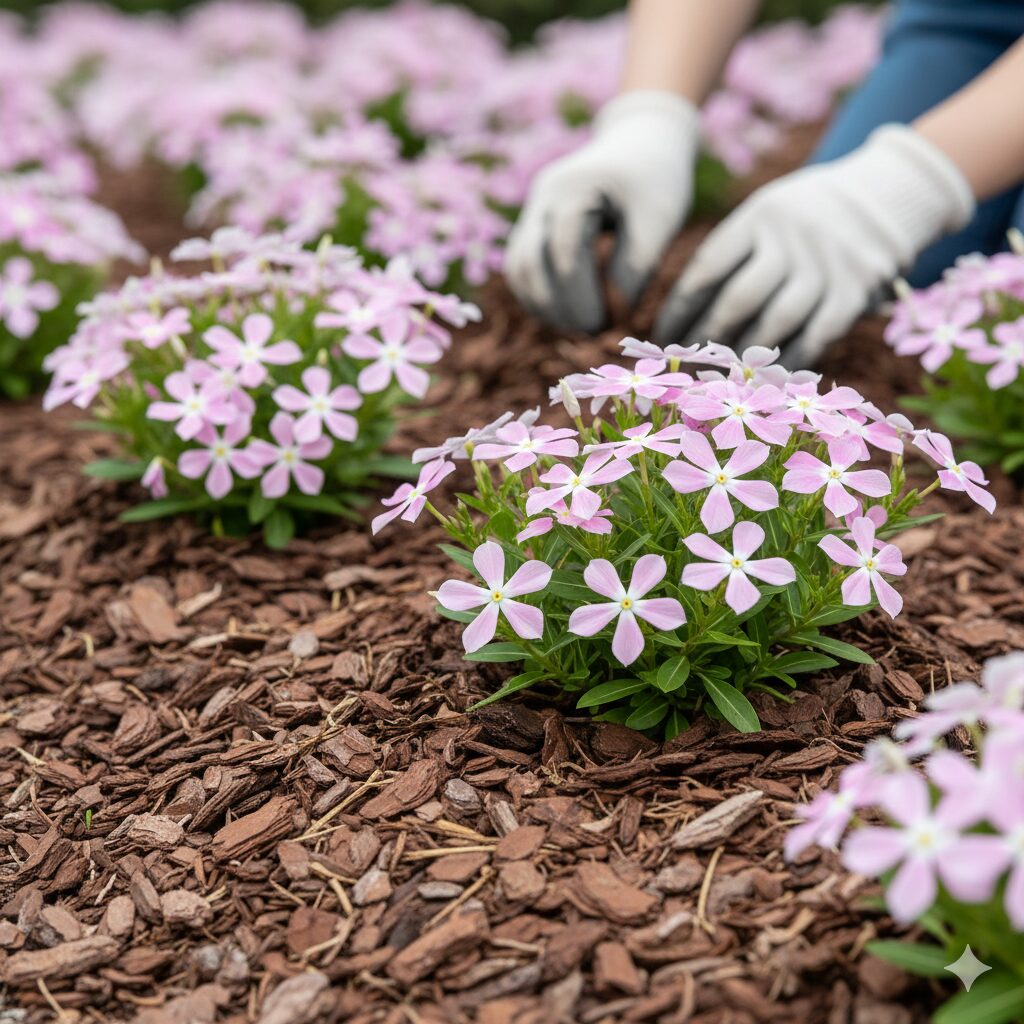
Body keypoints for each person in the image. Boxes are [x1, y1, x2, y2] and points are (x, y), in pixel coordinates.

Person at [505, 0, 1024, 367]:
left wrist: (914, 180)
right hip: (972, 15)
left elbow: (906, 188)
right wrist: (650, 116)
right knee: (853, 301)